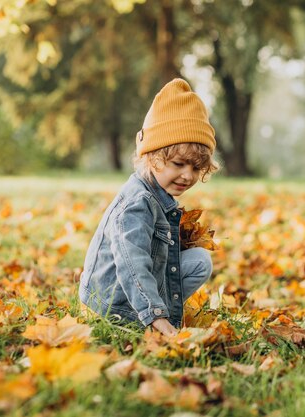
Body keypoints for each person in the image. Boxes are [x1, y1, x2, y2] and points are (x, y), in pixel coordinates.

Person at [79, 78, 219, 337]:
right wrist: (156, 317)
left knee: (200, 261)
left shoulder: (157, 193)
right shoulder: (137, 203)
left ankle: (154, 314)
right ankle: (144, 322)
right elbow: (132, 264)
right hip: (111, 302)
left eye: (196, 168)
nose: (188, 176)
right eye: (178, 164)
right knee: (161, 268)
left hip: (128, 288)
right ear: (153, 156)